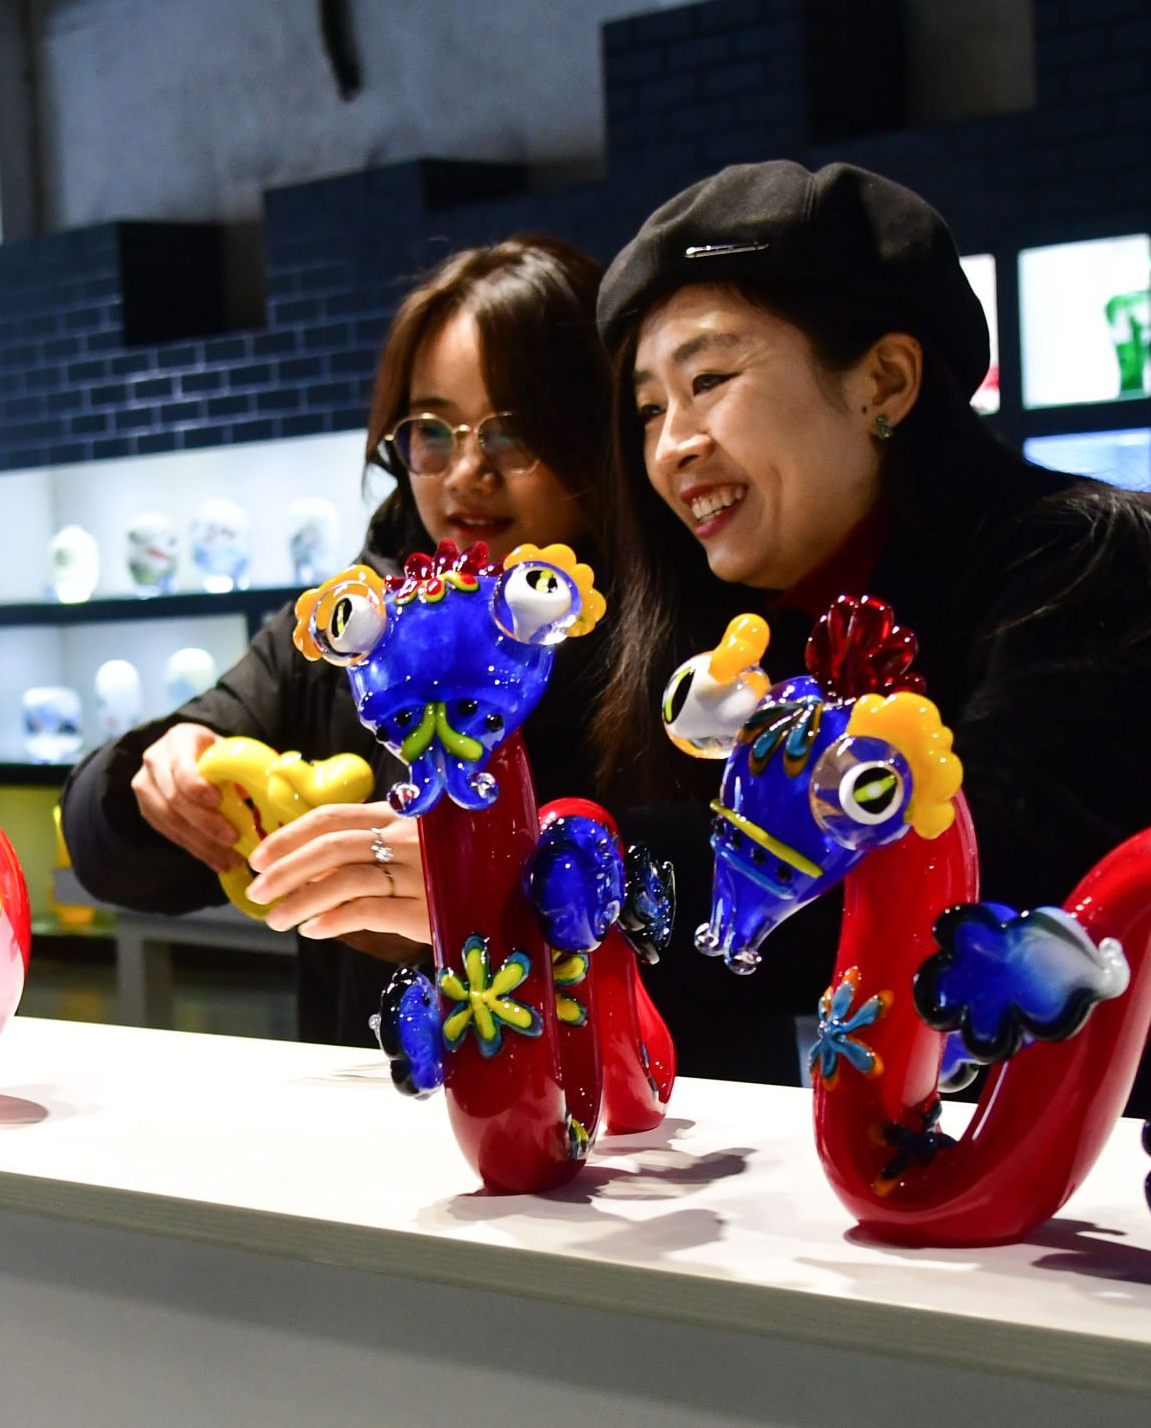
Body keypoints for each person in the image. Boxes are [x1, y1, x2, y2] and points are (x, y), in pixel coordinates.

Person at [592, 159, 1151, 1142]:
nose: (671, 446)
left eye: (710, 380)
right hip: (1047, 1206)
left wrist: (570, 869)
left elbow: (979, 883)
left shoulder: (1098, 569)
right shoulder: (756, 648)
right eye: (650, 408)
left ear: (887, 381)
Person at [60, 239, 790, 1066]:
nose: (465, 473)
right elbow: (106, 851)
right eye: (431, 433)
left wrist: (502, 879)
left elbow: (773, 920)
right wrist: (152, 778)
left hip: (659, 1136)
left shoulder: (694, 633)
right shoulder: (352, 627)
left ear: (598, 435)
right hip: (393, 1149)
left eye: (513, 434)